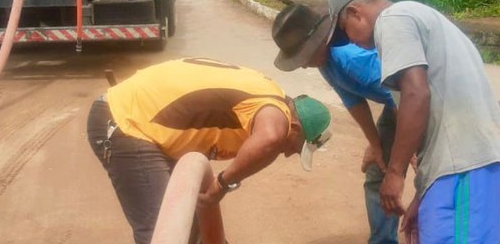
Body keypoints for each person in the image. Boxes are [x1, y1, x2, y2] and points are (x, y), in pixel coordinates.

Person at [328, 0, 500, 243]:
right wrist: (422, 193)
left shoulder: (393, 20)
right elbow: (438, 117)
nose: (349, 40)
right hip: (456, 170)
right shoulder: (423, 20)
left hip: (465, 170)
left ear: (355, 12)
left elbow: (417, 93)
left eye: (344, 29)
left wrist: (395, 173)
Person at [86, 57, 332, 244]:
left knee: (190, 224)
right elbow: (271, 138)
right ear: (295, 127)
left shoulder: (266, 96)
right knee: (163, 230)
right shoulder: (275, 110)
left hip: (144, 124)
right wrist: (221, 186)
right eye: (294, 147)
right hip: (127, 123)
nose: (288, 153)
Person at [272, 3, 404, 244]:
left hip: (420, 102)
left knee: (428, 173)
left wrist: (408, 151)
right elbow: (353, 100)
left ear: (318, 43)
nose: (302, 64)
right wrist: (375, 145)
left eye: (302, 56)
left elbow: (403, 96)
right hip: (396, 105)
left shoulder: (349, 56)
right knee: (379, 171)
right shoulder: (324, 63)